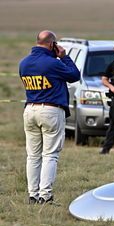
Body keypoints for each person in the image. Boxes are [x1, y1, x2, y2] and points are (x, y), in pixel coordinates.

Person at [19, 30, 80, 205]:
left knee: (33, 156)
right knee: (50, 155)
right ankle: (45, 196)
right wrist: (64, 57)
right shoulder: (53, 63)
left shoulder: (23, 63)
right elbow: (75, 75)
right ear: (52, 44)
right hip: (51, 110)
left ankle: (33, 195)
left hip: (30, 109)